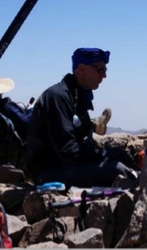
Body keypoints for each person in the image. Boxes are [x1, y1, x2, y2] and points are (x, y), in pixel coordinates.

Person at [25, 47, 138, 187]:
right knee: (115, 170)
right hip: (51, 171)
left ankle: (143, 181)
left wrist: (99, 155)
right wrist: (97, 157)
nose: (104, 76)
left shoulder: (77, 95)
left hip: (69, 164)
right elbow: (68, 150)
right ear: (82, 69)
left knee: (120, 154)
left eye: (105, 70)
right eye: (100, 70)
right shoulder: (58, 96)